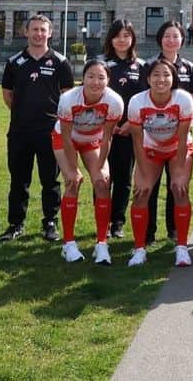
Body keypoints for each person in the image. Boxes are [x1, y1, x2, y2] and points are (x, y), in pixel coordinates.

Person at [0, 14, 74, 242]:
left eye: (43, 30)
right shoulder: (14, 62)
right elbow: (7, 95)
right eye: (35, 30)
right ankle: (15, 224)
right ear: (26, 32)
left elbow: (67, 97)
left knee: (50, 180)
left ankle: (50, 223)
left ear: (50, 33)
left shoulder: (60, 62)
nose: (39, 34)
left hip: (50, 132)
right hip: (20, 131)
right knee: (19, 180)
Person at [52, 59, 124, 264]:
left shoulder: (115, 101)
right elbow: (66, 137)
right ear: (82, 78)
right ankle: (69, 244)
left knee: (102, 183)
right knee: (73, 182)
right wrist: (73, 169)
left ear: (108, 80)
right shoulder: (68, 99)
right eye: (90, 76)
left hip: (94, 139)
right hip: (66, 138)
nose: (95, 82)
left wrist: (101, 167)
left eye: (101, 77)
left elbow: (107, 137)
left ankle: (101, 244)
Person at [126, 58, 193, 267]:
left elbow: (183, 137)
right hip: (150, 148)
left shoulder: (182, 99)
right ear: (148, 79)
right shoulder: (137, 101)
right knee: (142, 191)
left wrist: (181, 172)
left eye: (166, 74)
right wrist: (144, 174)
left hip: (177, 148)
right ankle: (139, 249)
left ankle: (181, 247)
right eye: (156, 75)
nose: (161, 79)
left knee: (179, 188)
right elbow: (137, 141)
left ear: (173, 78)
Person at [144, 21, 193, 245]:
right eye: (167, 36)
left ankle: (174, 230)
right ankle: (148, 232)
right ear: (160, 39)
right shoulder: (149, 65)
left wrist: (183, 119)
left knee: (176, 184)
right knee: (150, 185)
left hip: (180, 133)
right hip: (153, 135)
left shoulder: (188, 66)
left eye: (175, 36)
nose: (171, 40)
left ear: (182, 40)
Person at [100, 19, 148, 241]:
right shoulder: (100, 65)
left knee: (123, 178)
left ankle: (117, 222)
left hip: (130, 130)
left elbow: (145, 100)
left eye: (126, 35)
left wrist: (130, 123)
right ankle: (102, 220)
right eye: (118, 35)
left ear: (132, 39)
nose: (122, 40)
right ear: (111, 38)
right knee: (103, 177)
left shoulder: (141, 66)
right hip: (104, 132)